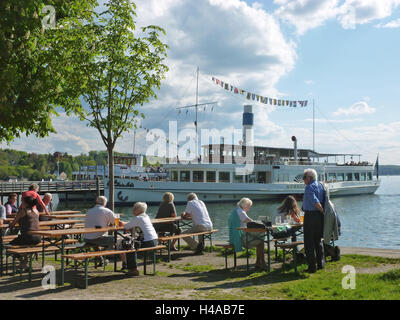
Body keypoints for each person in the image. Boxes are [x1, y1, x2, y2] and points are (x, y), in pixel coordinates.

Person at [119, 202, 158, 277]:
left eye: (134, 208)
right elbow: (132, 224)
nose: (133, 210)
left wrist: (122, 223)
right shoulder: (146, 216)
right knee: (131, 243)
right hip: (154, 240)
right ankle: (131, 267)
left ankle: (133, 270)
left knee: (129, 246)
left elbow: (126, 227)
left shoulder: (138, 218)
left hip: (148, 242)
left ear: (138, 210)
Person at [229, 197, 267, 270]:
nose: (249, 208)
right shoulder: (241, 212)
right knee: (260, 241)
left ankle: (259, 263)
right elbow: (249, 221)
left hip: (237, 235)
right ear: (245, 205)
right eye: (249, 206)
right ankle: (262, 263)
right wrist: (260, 223)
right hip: (241, 238)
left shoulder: (236, 210)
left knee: (260, 240)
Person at [302, 168, 326, 273]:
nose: (303, 180)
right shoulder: (321, 185)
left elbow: (315, 202)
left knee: (309, 242)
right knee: (318, 240)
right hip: (319, 217)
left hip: (310, 216)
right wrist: (323, 213)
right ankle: (321, 263)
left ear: (309, 178)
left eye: (304, 178)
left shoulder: (309, 187)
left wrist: (321, 210)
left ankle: (312, 266)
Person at [8, 196, 41, 271]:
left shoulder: (23, 211)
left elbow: (12, 224)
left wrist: (10, 224)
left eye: (22, 201)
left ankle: (23, 262)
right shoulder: (36, 211)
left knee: (9, 246)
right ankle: (25, 263)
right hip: (38, 237)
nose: (21, 203)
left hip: (28, 237)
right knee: (24, 244)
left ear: (25, 203)